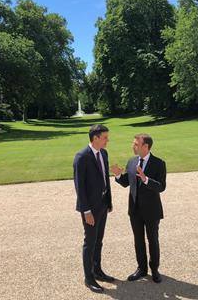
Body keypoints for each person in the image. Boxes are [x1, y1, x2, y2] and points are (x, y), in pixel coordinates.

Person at [111, 133, 166, 283]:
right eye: (133, 143)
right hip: (135, 209)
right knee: (138, 240)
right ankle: (141, 269)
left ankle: (154, 269)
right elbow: (126, 182)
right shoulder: (131, 162)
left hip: (152, 210)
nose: (133, 146)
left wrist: (145, 179)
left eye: (136, 144)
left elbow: (161, 187)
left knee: (152, 240)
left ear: (145, 146)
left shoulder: (159, 163)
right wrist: (117, 176)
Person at [73, 124, 115, 293]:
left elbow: (105, 178)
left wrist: (109, 202)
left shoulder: (104, 153)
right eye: (105, 137)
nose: (107, 140)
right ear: (95, 138)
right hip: (90, 208)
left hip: (103, 204)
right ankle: (88, 278)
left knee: (99, 240)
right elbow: (79, 187)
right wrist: (86, 211)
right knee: (89, 242)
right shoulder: (82, 157)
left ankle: (97, 271)